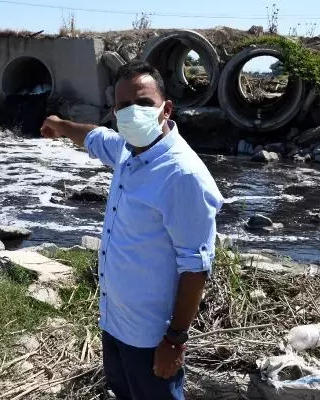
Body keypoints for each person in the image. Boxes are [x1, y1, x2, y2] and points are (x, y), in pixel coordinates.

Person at [40, 60, 223, 400]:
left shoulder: (182, 175)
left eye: (143, 103)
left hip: (152, 335)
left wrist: (175, 339)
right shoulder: (128, 150)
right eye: (124, 106)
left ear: (166, 109)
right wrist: (61, 125)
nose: (133, 112)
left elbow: (196, 268)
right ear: (115, 110)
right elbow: (95, 137)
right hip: (115, 320)